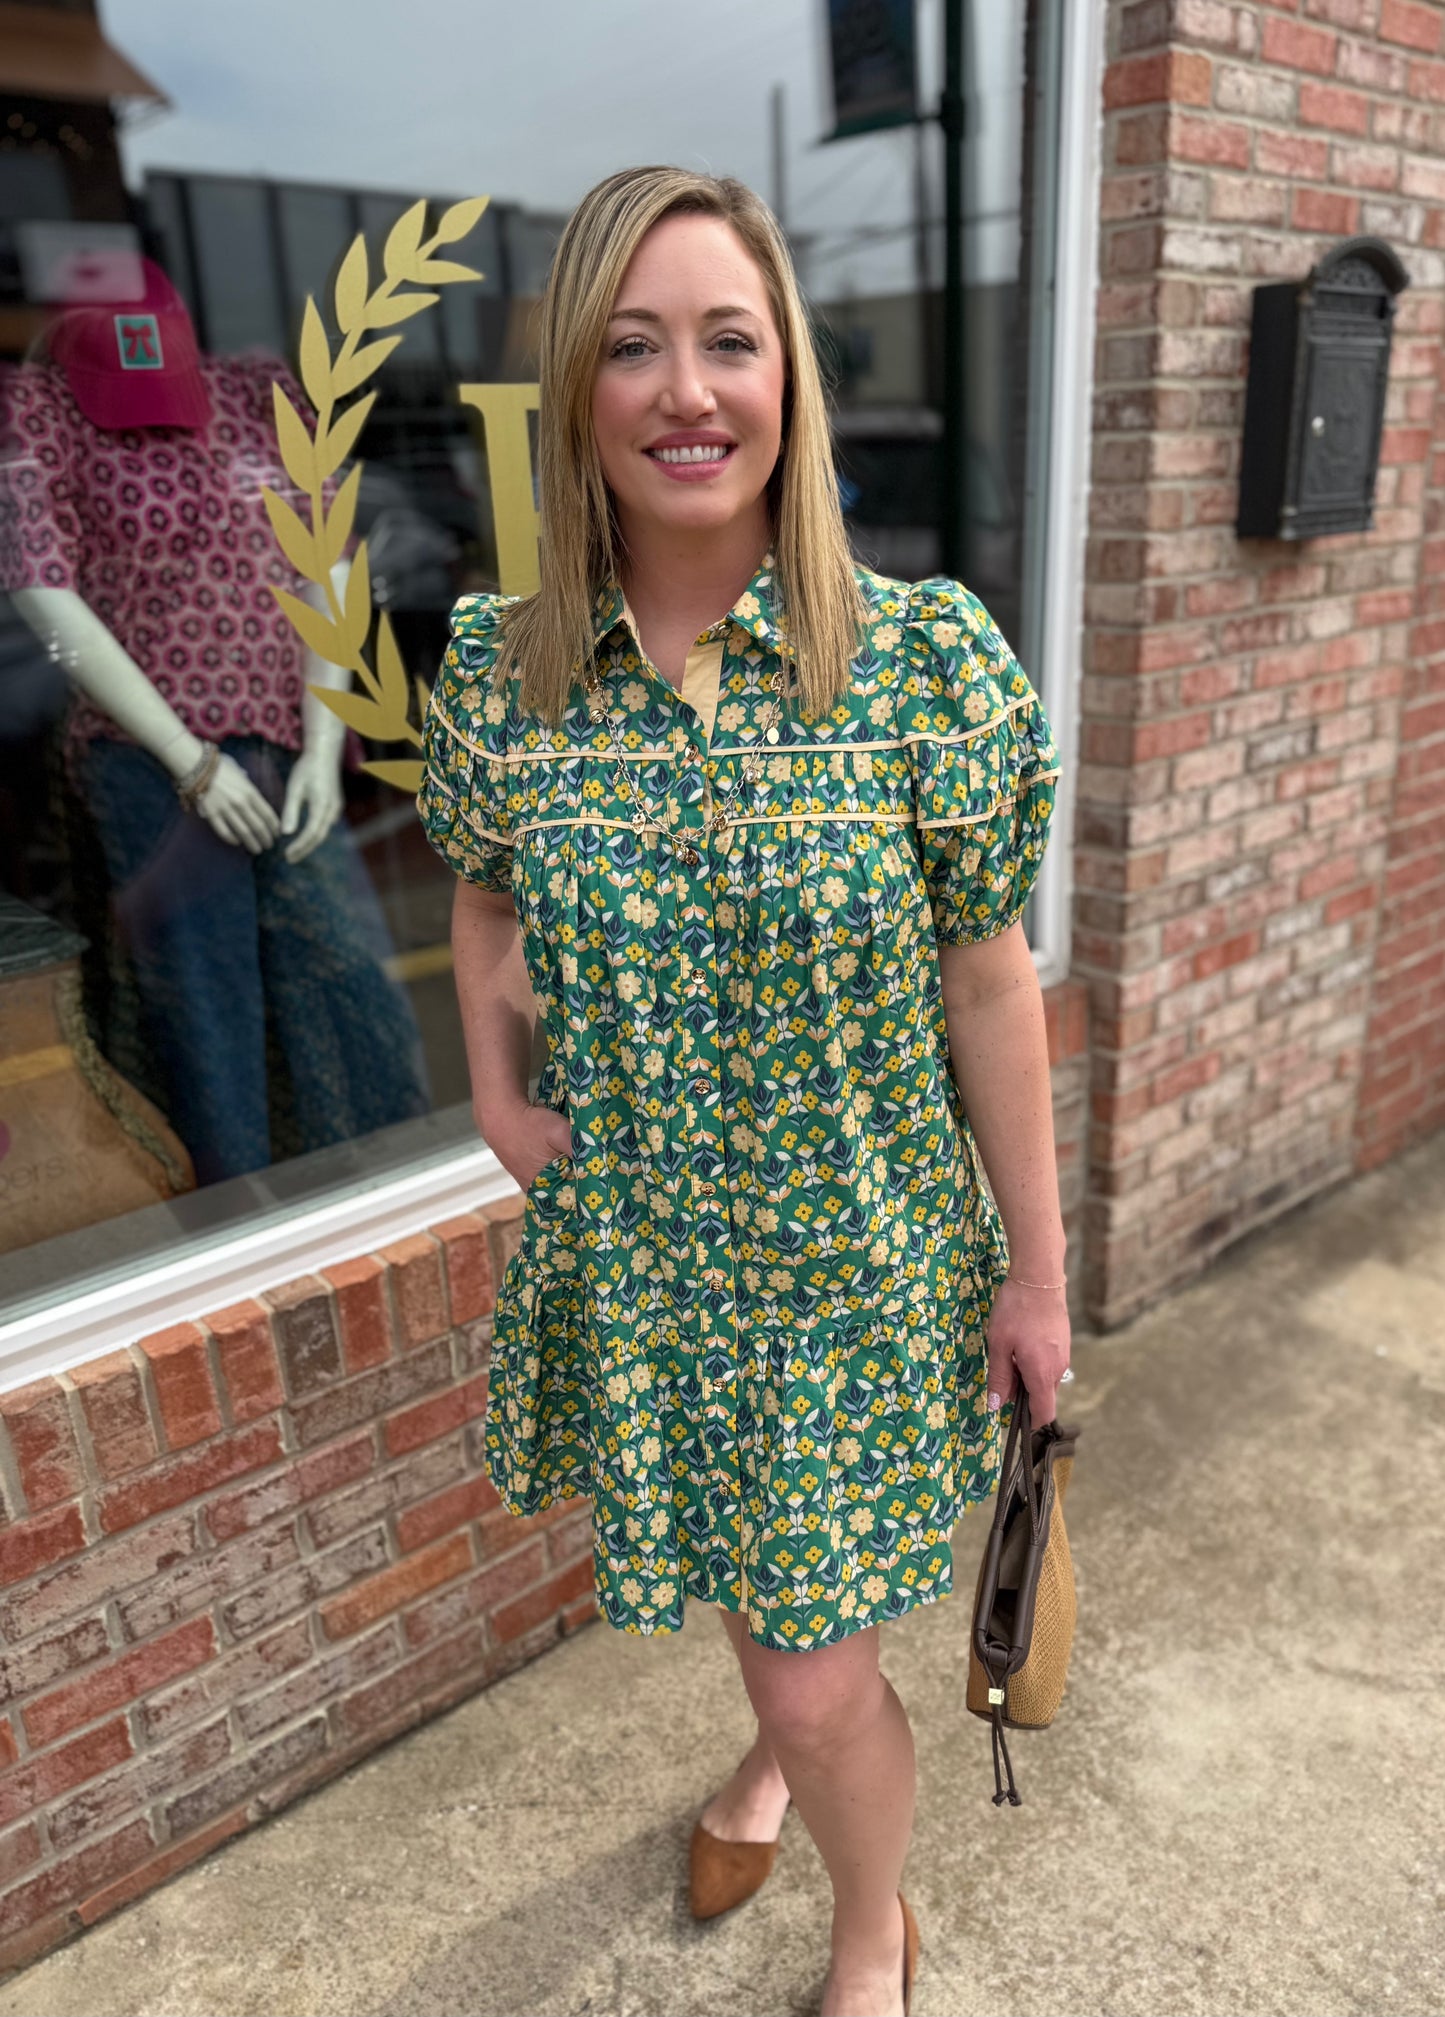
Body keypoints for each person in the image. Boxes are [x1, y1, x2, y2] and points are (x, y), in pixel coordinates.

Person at [418, 164, 1069, 2017]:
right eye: (633, 347)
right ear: (577, 391)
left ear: (789, 375)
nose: (685, 390)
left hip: (858, 1269)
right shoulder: (507, 675)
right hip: (650, 1270)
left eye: (728, 338)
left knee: (804, 1660)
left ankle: (870, 1930)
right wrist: (495, 1093)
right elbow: (479, 896)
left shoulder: (922, 668)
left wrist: (1037, 1274)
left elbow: (985, 977)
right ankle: (780, 1760)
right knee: (769, 1598)